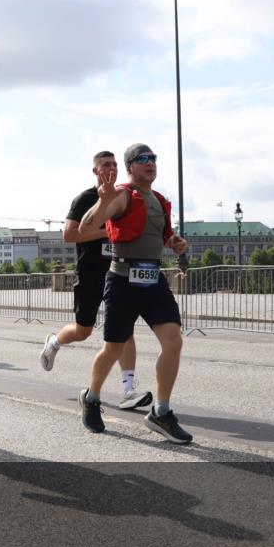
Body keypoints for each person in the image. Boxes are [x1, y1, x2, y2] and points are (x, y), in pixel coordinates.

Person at [77, 143, 192, 443]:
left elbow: (164, 237)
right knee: (113, 349)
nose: (150, 163)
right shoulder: (123, 195)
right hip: (123, 280)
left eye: (153, 158)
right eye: (142, 159)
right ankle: (91, 397)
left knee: (173, 340)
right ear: (130, 168)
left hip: (153, 279)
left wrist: (176, 244)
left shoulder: (160, 201)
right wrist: (103, 203)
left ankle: (161, 412)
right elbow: (88, 224)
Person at [40, 151, 151, 411]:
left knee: (125, 332)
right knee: (83, 330)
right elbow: (69, 234)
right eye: (105, 165)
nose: (110, 168)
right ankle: (54, 342)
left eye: (114, 164)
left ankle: (128, 390)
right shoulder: (85, 199)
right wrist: (109, 230)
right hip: (91, 274)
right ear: (95, 171)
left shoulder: (125, 197)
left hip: (120, 273)